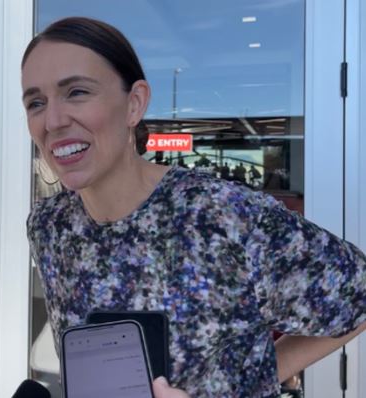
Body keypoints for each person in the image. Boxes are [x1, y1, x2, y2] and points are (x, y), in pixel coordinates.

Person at [21, 17, 366, 397]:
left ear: (134, 104)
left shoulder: (222, 215)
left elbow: (359, 295)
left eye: (77, 92)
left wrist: (248, 380)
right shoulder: (50, 227)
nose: (52, 120)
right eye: (36, 102)